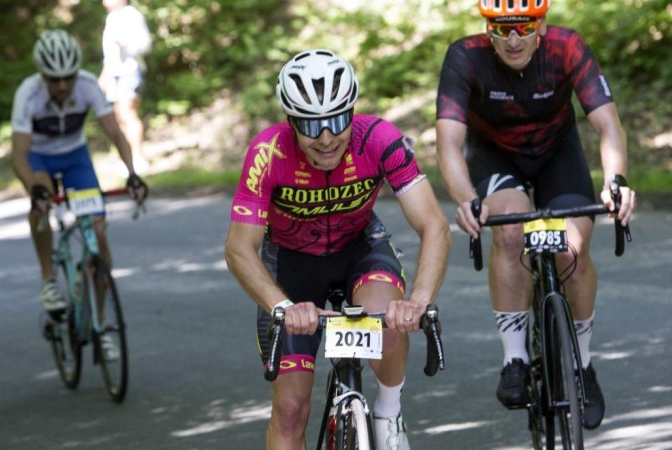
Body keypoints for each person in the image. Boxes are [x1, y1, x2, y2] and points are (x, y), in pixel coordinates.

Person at [225, 49, 451, 449]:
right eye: (311, 126)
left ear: (352, 112)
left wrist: (417, 300)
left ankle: (388, 412)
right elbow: (240, 249)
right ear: (291, 123)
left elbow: (433, 224)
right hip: (291, 268)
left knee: (390, 318)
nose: (327, 138)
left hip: (359, 250)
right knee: (291, 410)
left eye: (336, 120)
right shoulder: (268, 153)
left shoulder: (380, 139)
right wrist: (282, 307)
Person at [435, 0, 636, 430]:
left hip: (556, 154)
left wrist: (615, 182)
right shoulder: (464, 56)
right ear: (487, 28)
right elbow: (449, 143)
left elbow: (608, 125)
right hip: (494, 158)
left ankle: (582, 365)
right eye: (501, 28)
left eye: (523, 28)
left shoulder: (567, 47)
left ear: (541, 25)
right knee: (511, 231)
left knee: (570, 250)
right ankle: (515, 360)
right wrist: (467, 198)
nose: (512, 40)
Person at [11, 30, 148, 321]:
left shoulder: (87, 85)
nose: (62, 85)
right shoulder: (28, 93)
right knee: (41, 199)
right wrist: (34, 190)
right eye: (53, 79)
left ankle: (99, 323)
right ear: (42, 75)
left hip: (75, 157)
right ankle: (49, 280)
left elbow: (115, 132)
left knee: (98, 233)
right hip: (39, 156)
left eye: (68, 77)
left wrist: (133, 174)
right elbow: (19, 154)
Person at [99, 0, 152, 172]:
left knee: (128, 114)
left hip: (129, 71)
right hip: (113, 74)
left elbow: (144, 44)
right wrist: (104, 76)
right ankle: (127, 158)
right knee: (119, 118)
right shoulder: (112, 18)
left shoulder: (131, 15)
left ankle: (138, 158)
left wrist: (126, 43)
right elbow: (110, 55)